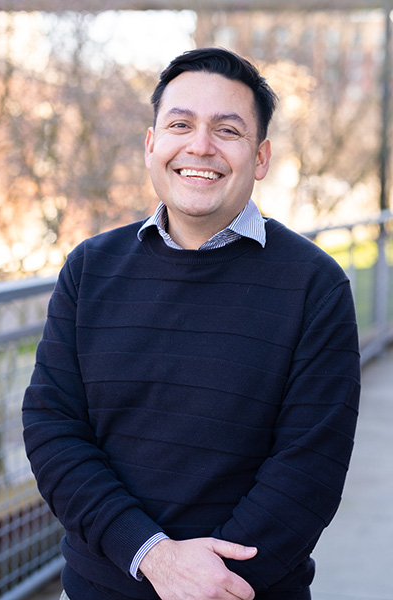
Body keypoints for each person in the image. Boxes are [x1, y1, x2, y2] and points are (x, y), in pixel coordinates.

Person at [23, 47, 361, 600]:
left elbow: (309, 470)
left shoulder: (315, 285)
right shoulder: (89, 268)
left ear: (260, 157)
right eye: (181, 124)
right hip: (98, 587)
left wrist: (208, 583)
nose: (200, 146)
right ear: (152, 143)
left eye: (227, 130)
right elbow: (52, 429)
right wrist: (151, 555)